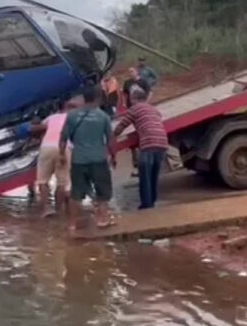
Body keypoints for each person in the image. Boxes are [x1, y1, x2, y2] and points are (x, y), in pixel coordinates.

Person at [59, 85, 117, 234]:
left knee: (76, 194)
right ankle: (102, 220)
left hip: (78, 160)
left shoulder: (72, 116)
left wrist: (61, 156)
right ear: (98, 98)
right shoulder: (103, 116)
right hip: (98, 159)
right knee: (102, 191)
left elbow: (63, 139)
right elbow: (110, 140)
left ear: (83, 98)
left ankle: (72, 225)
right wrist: (113, 155)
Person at [113, 88, 168, 210]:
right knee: (154, 174)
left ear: (134, 99)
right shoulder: (153, 109)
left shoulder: (134, 109)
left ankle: (146, 204)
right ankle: (152, 201)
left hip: (148, 143)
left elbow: (122, 125)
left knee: (145, 175)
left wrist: (112, 137)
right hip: (162, 142)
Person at [34, 98, 80, 217]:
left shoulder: (51, 117)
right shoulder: (73, 118)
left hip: (47, 147)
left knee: (43, 180)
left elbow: (37, 128)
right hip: (64, 148)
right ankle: (59, 210)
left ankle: (46, 209)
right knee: (62, 182)